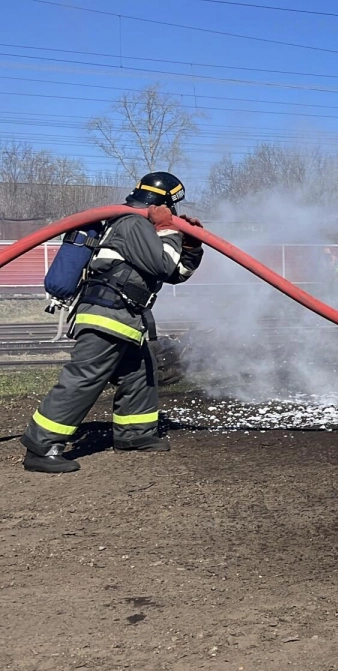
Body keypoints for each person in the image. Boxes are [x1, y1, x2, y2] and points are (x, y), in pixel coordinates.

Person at [21, 172, 204, 473]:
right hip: (108, 314)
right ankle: (42, 445)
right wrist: (168, 227)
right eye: (172, 205)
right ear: (165, 201)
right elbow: (163, 264)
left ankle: (135, 434)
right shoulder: (133, 223)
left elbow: (175, 273)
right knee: (85, 378)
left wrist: (192, 247)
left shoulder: (146, 226)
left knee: (141, 372)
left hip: (127, 316)